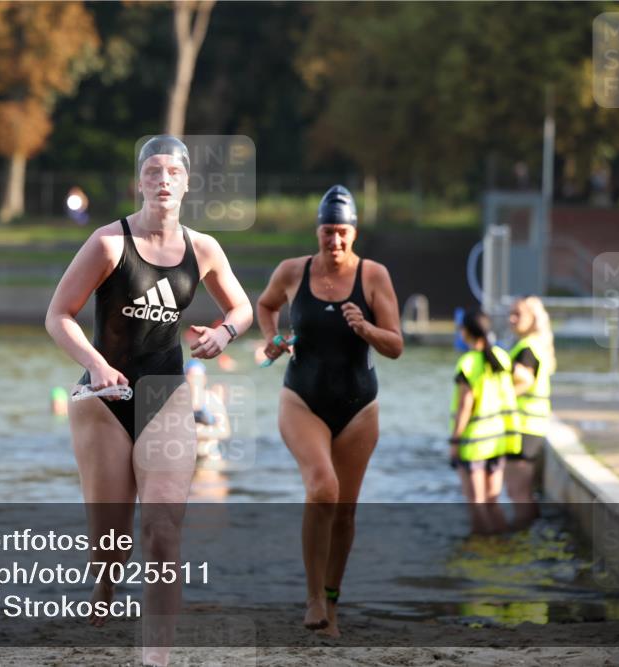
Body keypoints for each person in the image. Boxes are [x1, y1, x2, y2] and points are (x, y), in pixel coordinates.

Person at [45, 135, 252, 666]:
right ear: (139, 181)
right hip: (105, 397)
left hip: (166, 392)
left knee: (161, 530)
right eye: (153, 171)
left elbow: (242, 308)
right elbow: (58, 315)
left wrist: (224, 333)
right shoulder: (108, 244)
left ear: (186, 182)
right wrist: (95, 364)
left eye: (173, 172)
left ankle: (155, 657)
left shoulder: (204, 249)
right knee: (111, 542)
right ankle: (105, 583)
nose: (163, 180)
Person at [255, 185, 402, 637]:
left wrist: (366, 328)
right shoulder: (292, 271)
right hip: (302, 399)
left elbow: (395, 345)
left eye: (342, 232)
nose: (334, 241)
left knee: (345, 511)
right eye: (327, 232)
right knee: (323, 488)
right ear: (317, 231)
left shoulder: (374, 275)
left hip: (359, 406)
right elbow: (266, 305)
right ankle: (313, 596)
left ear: (354, 233)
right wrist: (272, 338)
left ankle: (331, 605)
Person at [448, 309, 521, 535]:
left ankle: (481, 547)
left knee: (477, 503)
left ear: (465, 332)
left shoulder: (468, 363)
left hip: (475, 443)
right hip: (499, 439)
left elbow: (465, 406)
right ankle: (503, 544)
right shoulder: (502, 356)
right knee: (492, 501)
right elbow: (520, 382)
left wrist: (455, 441)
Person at [506, 296, 555, 527]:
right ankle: (531, 534)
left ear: (533, 318)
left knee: (517, 491)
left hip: (524, 428)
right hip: (532, 427)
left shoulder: (527, 348)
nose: (511, 319)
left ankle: (522, 535)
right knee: (523, 491)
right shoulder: (536, 345)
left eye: (517, 314)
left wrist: (500, 400)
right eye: (511, 314)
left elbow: (525, 380)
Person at [184, 359, 231, 462]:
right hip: (185, 457)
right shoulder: (179, 401)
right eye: (191, 376)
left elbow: (225, 431)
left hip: (209, 455)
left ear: (204, 378)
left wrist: (200, 431)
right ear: (185, 378)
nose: (195, 380)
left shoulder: (212, 400)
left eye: (198, 376)